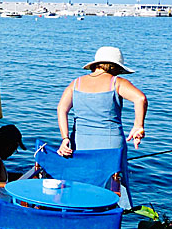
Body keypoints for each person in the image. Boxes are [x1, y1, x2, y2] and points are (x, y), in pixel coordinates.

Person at [56, 46, 148, 207]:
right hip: (111, 145)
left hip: (80, 143)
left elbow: (61, 109)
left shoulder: (76, 83)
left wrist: (65, 139)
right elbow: (140, 99)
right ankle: (108, 221)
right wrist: (138, 126)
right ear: (116, 67)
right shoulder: (117, 82)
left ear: (96, 65)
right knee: (111, 187)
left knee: (83, 185)